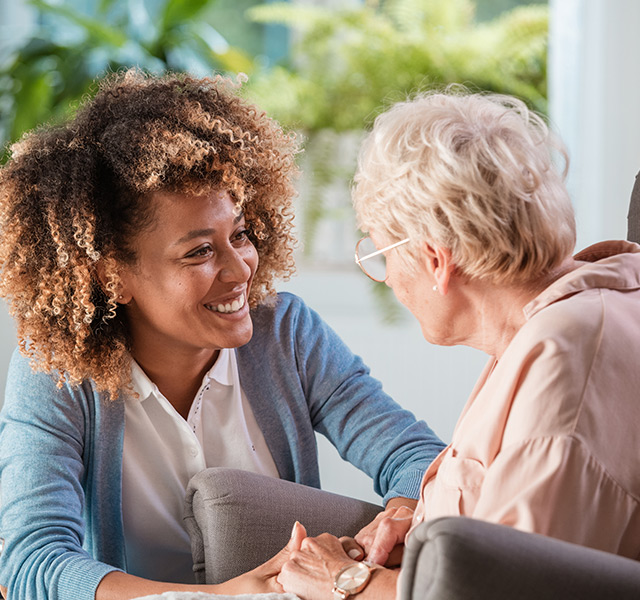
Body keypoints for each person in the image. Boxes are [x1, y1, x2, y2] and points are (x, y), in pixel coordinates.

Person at [0, 70, 445, 600]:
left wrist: (401, 513)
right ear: (111, 275)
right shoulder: (56, 370)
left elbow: (416, 454)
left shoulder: (287, 334)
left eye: (239, 235)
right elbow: (32, 560)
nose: (240, 271)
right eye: (199, 251)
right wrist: (217, 599)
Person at [276, 88, 640, 600]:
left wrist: (346, 581)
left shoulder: (564, 360)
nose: (387, 279)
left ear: (435, 259)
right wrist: (426, 537)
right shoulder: (565, 317)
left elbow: (513, 590)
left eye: (381, 254)